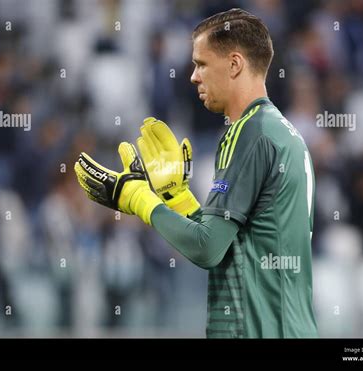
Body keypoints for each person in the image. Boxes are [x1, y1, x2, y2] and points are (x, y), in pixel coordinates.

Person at [74, 8, 318, 338]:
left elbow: (207, 249)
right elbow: (236, 249)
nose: (193, 76)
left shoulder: (248, 134)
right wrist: (178, 200)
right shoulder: (283, 133)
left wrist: (139, 200)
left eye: (202, 64)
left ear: (234, 64)